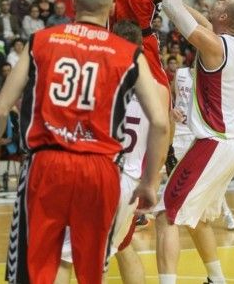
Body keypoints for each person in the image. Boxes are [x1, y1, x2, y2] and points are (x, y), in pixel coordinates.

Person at [0, 0, 169, 284]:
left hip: (47, 163)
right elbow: (159, 122)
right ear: (112, 7)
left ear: (74, 3)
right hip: (100, 169)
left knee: (41, 266)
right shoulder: (129, 53)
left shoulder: (41, 40)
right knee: (89, 270)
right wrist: (149, 181)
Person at [155, 0, 234, 284]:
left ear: (224, 17)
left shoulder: (213, 46)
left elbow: (171, 7)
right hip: (232, 142)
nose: (215, 3)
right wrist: (179, 3)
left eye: (219, 3)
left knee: (167, 213)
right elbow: (197, 19)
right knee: (197, 218)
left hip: (215, 141)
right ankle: (216, 279)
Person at [56, 20, 149, 284]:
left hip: (99, 177)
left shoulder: (97, 81)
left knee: (65, 256)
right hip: (132, 183)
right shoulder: (155, 90)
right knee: (117, 249)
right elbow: (164, 129)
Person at [171, 66, 234, 231]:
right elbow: (170, 99)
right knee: (182, 178)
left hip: (200, 134)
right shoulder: (180, 73)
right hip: (179, 132)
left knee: (206, 179)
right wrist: (171, 109)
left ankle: (226, 212)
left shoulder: (212, 77)